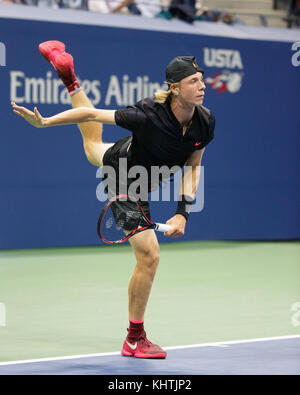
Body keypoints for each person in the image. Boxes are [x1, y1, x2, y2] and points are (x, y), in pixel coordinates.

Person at [11, 41, 215, 359]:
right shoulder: (149, 113)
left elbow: (193, 165)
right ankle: (134, 339)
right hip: (124, 176)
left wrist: (182, 213)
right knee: (149, 255)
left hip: (144, 172)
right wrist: (46, 123)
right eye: (194, 81)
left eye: (202, 79)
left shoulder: (205, 121)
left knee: (93, 146)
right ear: (175, 88)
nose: (202, 85)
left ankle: (68, 77)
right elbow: (92, 113)